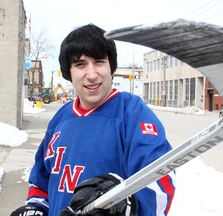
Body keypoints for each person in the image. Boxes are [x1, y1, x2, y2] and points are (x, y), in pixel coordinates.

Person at [11, 24, 175, 216]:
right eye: (80, 65)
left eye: (98, 62)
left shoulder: (133, 114)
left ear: (111, 67)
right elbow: (41, 182)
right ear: (69, 73)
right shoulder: (60, 120)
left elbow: (161, 183)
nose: (91, 74)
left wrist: (127, 209)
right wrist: (36, 208)